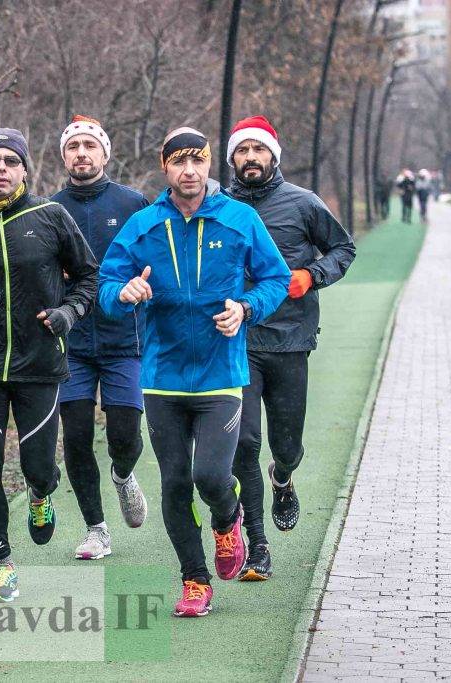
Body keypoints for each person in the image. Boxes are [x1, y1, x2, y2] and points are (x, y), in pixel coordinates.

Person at [98, 127, 290, 617]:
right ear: (165, 168)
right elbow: (106, 282)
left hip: (221, 372)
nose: (189, 171)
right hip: (162, 376)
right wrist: (123, 294)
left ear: (209, 165)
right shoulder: (143, 225)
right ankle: (194, 579)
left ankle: (228, 520)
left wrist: (246, 309)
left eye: (198, 161)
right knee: (176, 481)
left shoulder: (239, 219)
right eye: (179, 162)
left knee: (210, 474)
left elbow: (276, 278)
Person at [0, 128, 99, 603]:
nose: (1, 169)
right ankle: (3, 565)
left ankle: (40, 495)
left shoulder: (50, 217)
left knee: (39, 468)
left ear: (25, 169)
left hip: (40, 363)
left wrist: (67, 313)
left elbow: (90, 278)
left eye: (11, 161)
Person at [225, 116, 356, 580]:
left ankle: (283, 477)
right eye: (242, 151)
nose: (251, 159)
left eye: (259, 150)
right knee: (244, 442)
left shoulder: (302, 204)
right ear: (232, 159)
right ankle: (256, 543)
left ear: (273, 156)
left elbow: (343, 249)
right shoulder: (217, 205)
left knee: (286, 444)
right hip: (235, 340)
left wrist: (311, 276)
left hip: (289, 339)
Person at [51, 115, 150, 561]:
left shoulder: (133, 204)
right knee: (74, 437)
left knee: (125, 435)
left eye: (91, 146)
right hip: (71, 342)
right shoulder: (49, 208)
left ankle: (124, 474)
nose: (82, 154)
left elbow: (155, 261)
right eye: (74, 147)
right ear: (64, 156)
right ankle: (96, 528)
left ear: (106, 154)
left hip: (122, 338)